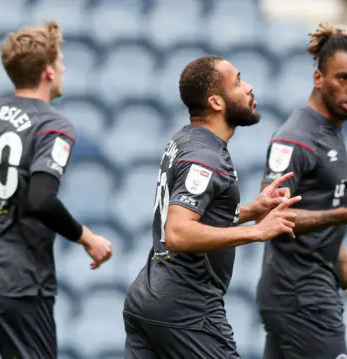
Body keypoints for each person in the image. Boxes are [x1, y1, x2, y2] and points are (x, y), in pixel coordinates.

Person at [0, 21, 113, 359]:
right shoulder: (52, 124)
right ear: (47, 72)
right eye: (60, 61)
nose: (64, 67)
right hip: (21, 281)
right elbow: (41, 200)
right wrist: (88, 238)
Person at [122, 55, 303, 359]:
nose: (249, 87)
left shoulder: (186, 140)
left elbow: (195, 216)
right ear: (217, 103)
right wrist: (256, 232)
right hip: (186, 306)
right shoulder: (205, 156)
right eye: (238, 82)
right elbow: (178, 233)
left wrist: (251, 210)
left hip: (149, 297)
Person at [257, 23, 347, 359]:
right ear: (319, 78)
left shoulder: (329, 130)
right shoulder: (296, 137)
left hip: (306, 294)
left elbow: (326, 238)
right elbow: (269, 215)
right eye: (343, 78)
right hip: (301, 299)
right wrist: (342, 213)